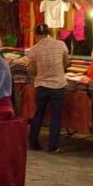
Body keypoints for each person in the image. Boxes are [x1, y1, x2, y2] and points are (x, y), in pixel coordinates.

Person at [28, 23, 70, 153]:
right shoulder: (60, 44)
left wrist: (42, 72)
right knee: (55, 117)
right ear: (49, 33)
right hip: (58, 85)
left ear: (36, 35)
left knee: (38, 114)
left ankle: (33, 143)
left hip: (41, 85)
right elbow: (66, 62)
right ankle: (53, 147)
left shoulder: (34, 49)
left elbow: (32, 70)